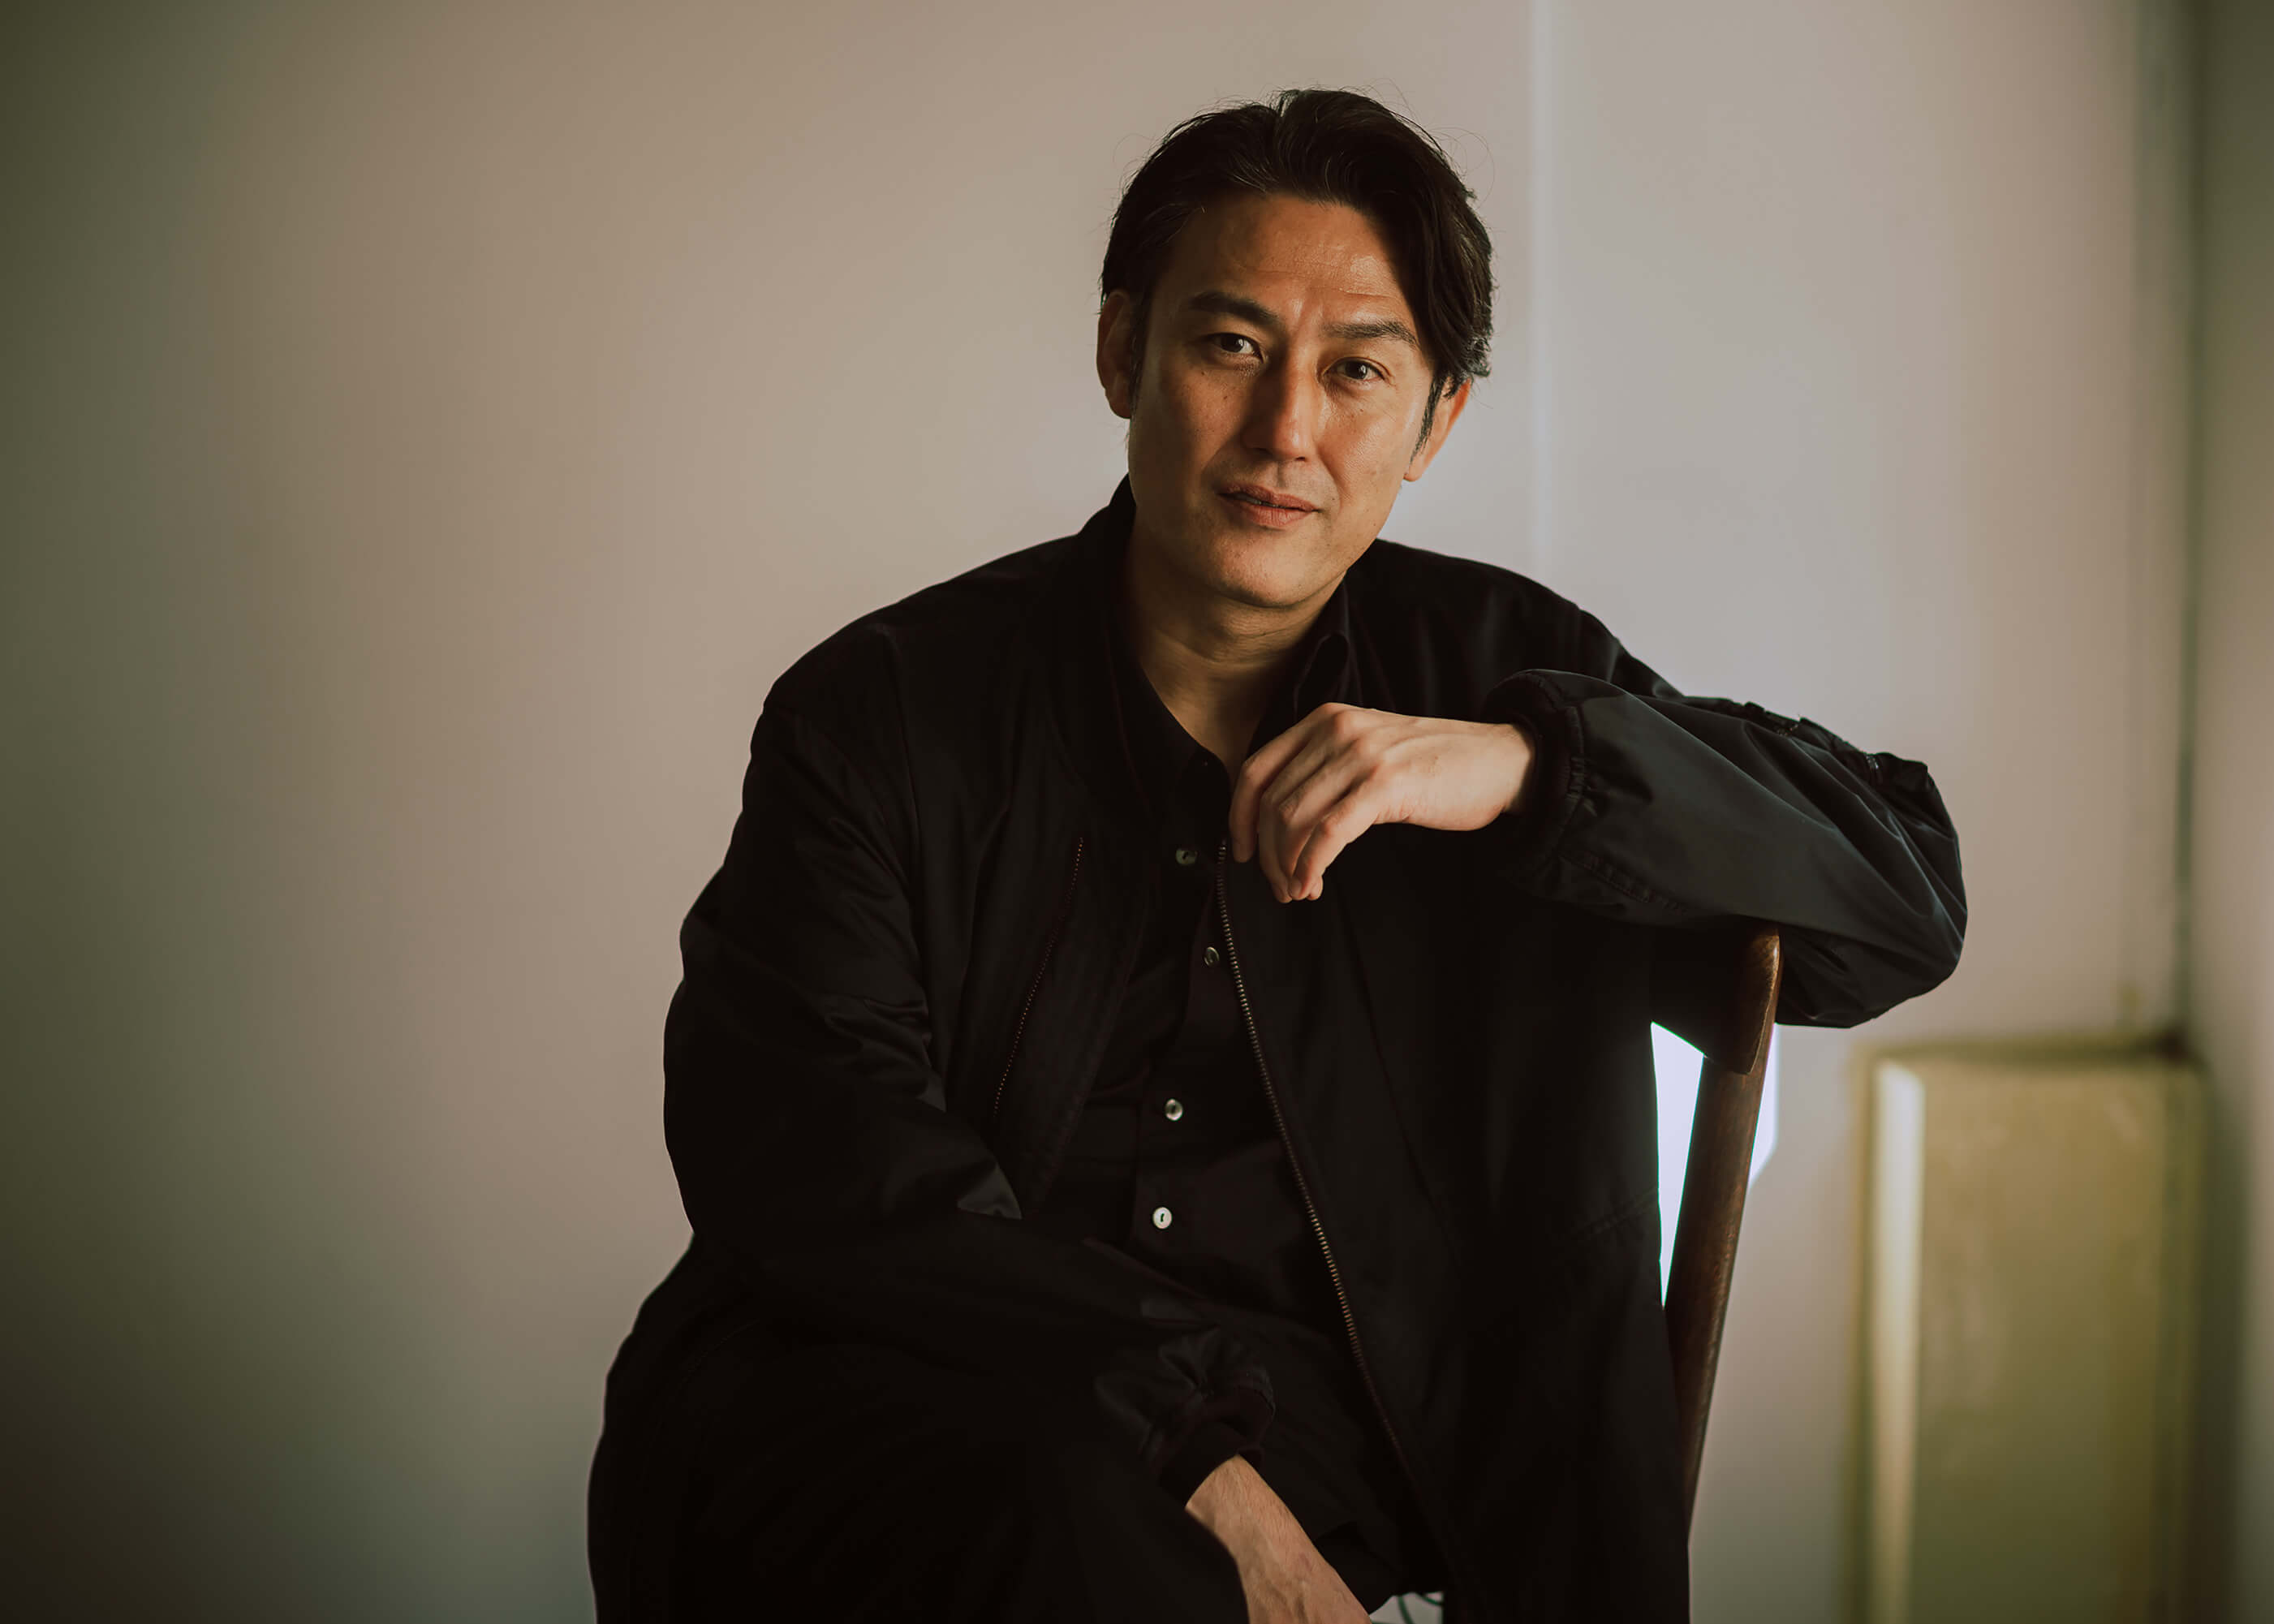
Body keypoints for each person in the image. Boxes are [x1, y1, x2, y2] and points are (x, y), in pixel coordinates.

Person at [586, 88, 1966, 1624]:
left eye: (1358, 369)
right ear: (1123, 351)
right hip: (937, 1408)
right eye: (1231, 345)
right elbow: (821, 1152)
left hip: (1355, 1455)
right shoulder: (885, 713)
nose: (1286, 430)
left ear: (1437, 421)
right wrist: (1180, 1447)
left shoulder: (1505, 677)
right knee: (1057, 1521)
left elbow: (1900, 904)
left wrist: (1531, 768)